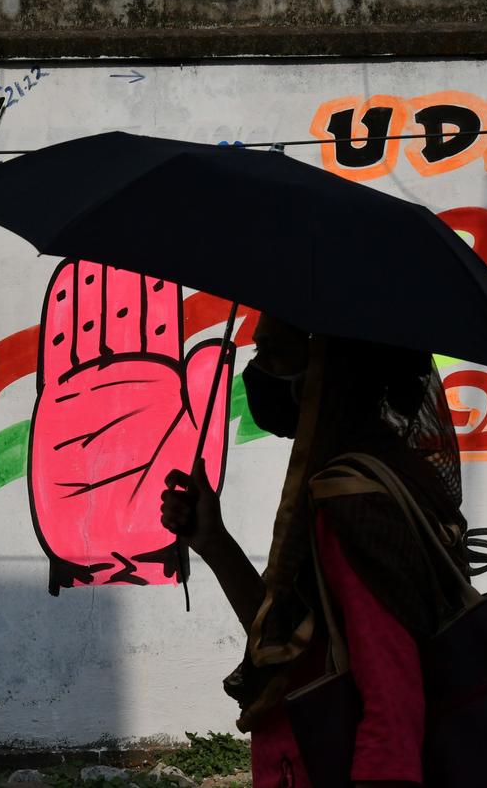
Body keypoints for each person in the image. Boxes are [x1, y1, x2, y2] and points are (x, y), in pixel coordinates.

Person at [160, 314, 468, 788]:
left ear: (332, 366)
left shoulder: (355, 500)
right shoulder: (358, 479)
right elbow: (292, 644)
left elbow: (392, 698)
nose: (257, 371)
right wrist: (213, 541)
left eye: (274, 353)